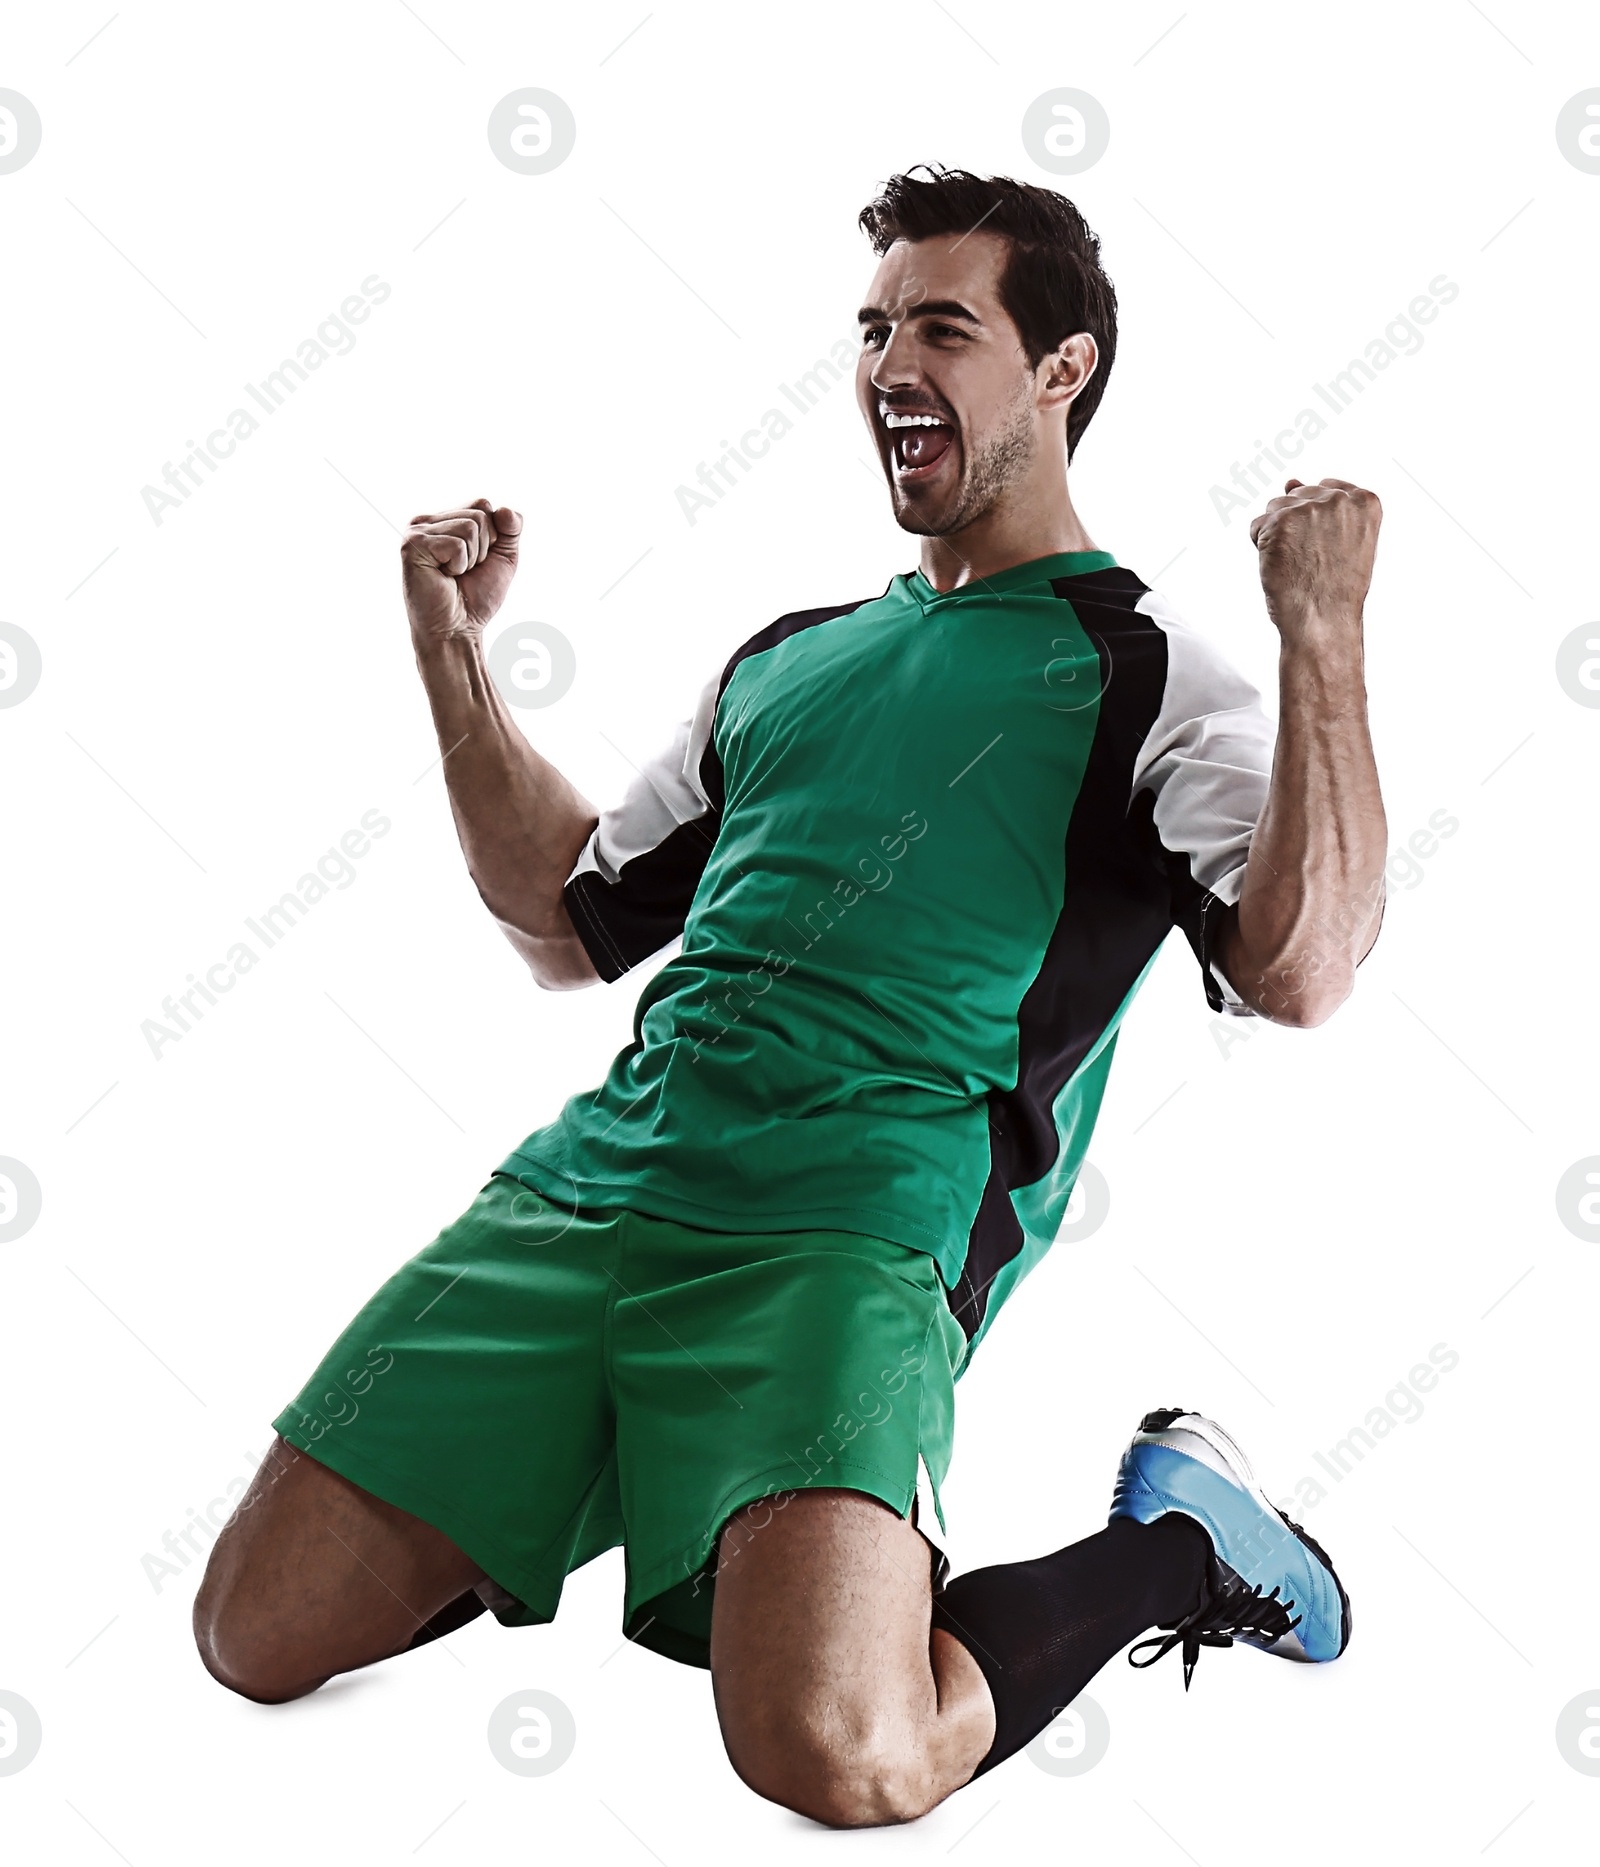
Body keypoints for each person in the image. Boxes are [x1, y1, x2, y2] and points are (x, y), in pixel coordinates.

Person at [193, 165, 1387, 1828]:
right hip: (590, 1200)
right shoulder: (790, 656)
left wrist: (1322, 639)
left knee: (843, 1758)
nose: (894, 362)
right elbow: (568, 916)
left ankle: (1174, 1548)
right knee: (249, 1633)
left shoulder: (1150, 676)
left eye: (945, 328)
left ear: (1065, 370)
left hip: (848, 1244)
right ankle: (617, 1457)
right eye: (876, 328)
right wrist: (452, 654)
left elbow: (1301, 968)